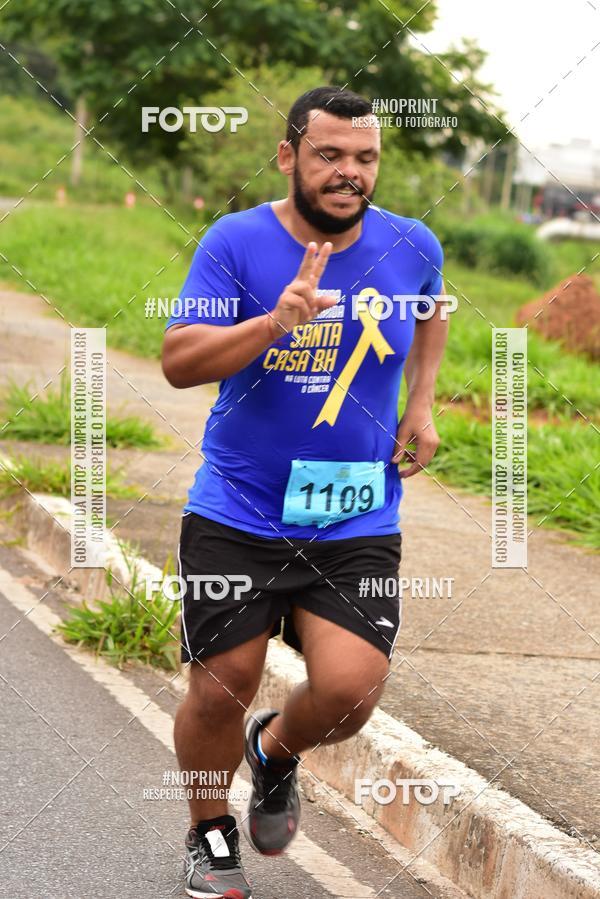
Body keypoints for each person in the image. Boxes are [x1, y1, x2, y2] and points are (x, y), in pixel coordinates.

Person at [161, 85, 448, 899]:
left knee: (353, 688)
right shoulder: (236, 242)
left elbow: (431, 313)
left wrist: (421, 402)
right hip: (238, 511)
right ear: (289, 156)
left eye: (364, 158)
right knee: (223, 679)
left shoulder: (412, 242)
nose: (347, 172)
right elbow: (179, 361)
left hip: (354, 514)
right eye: (328, 154)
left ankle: (275, 751)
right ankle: (208, 833)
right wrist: (272, 325)